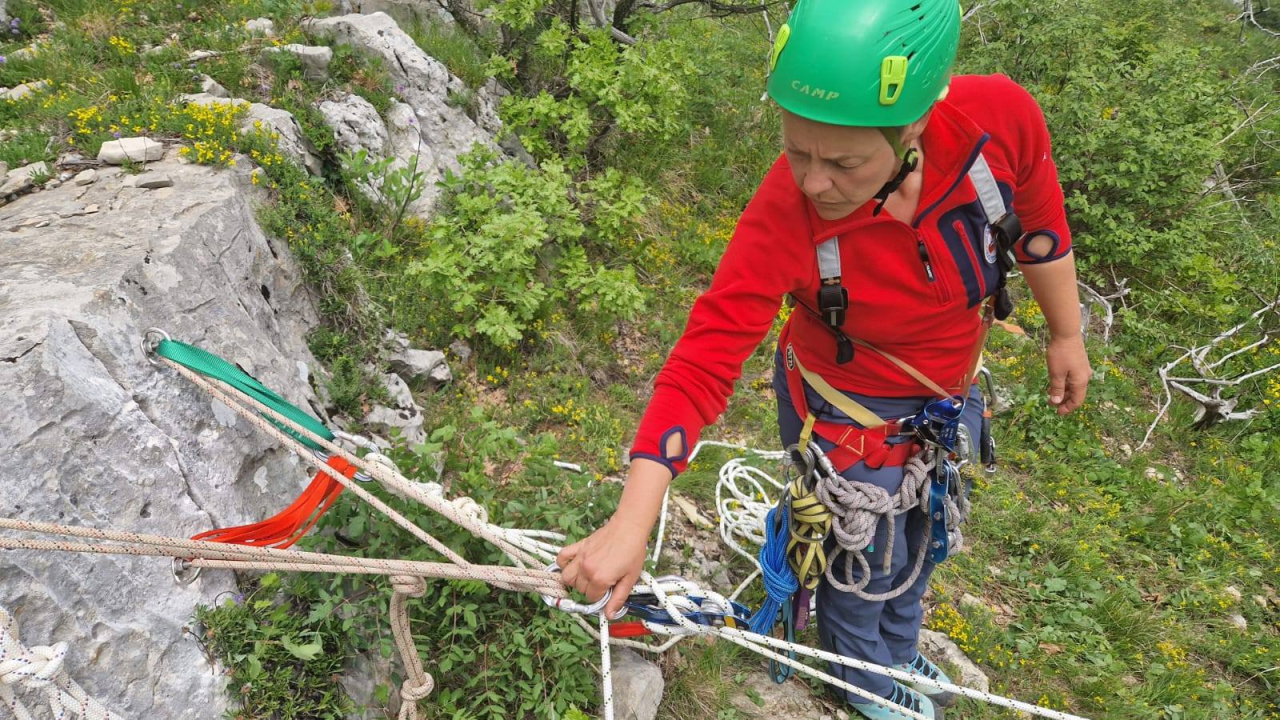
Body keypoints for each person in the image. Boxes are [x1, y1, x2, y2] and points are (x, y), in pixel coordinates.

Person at [556, 0, 1092, 716]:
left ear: (915, 126)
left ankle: (895, 654)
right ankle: (860, 679)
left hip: (943, 395)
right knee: (861, 555)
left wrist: (1065, 333)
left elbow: (1041, 228)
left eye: (842, 161)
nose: (813, 181)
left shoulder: (998, 121)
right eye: (797, 150)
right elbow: (705, 359)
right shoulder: (787, 210)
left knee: (921, 538)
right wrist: (631, 521)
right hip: (845, 406)